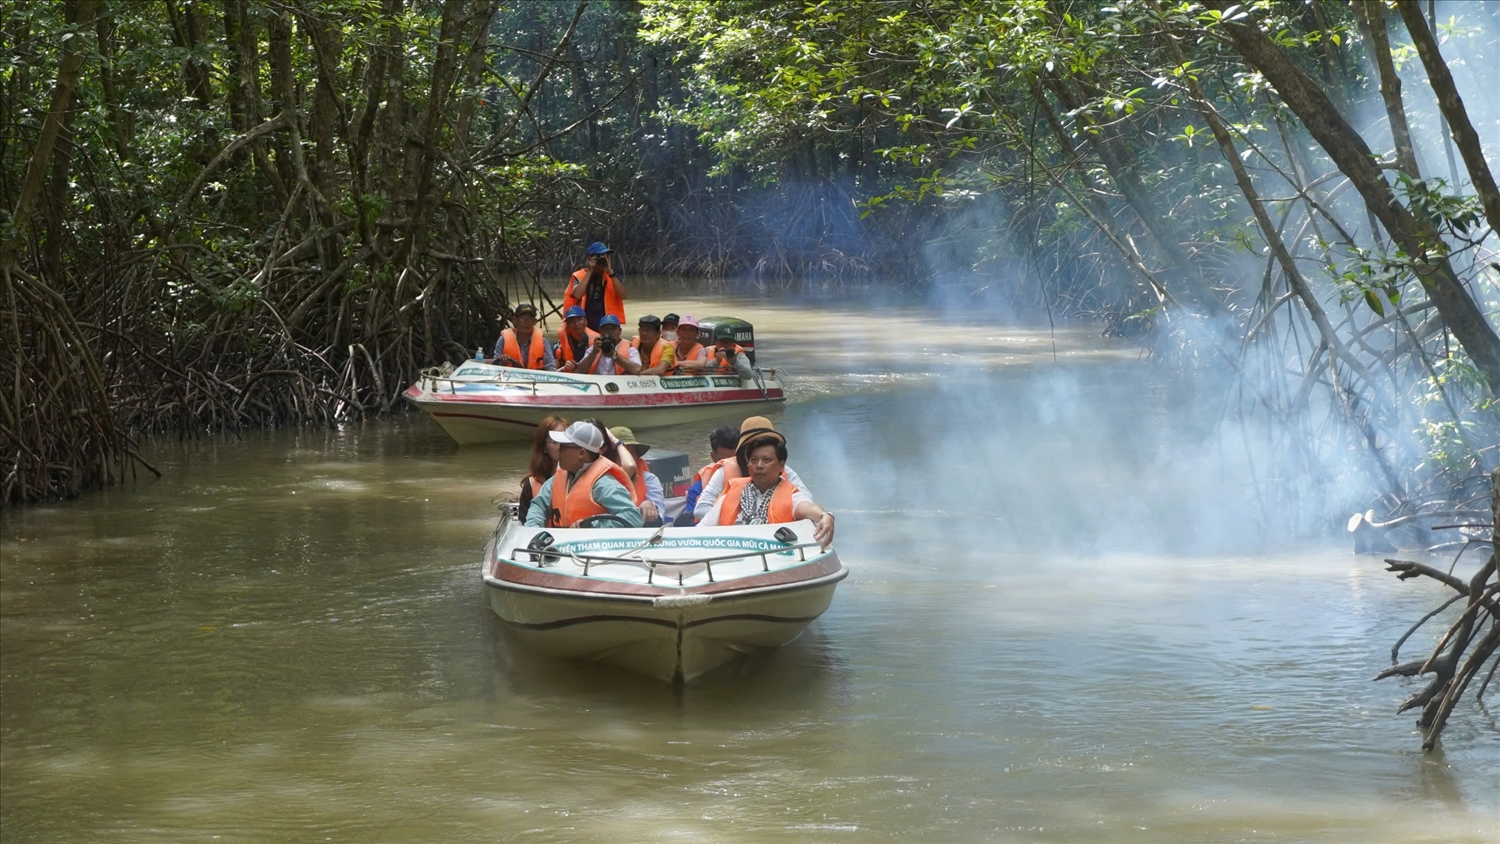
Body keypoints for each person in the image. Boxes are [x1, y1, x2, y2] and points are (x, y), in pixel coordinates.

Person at [699, 428, 835, 547]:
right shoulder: (731, 494)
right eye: (754, 460)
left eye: (766, 460)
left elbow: (807, 507)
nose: (759, 465)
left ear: (781, 466)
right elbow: (701, 529)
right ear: (748, 465)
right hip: (733, 560)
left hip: (776, 561)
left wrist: (825, 516)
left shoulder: (791, 496)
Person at [525, 421, 644, 528]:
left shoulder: (603, 483)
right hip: (563, 546)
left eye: (563, 447)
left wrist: (593, 526)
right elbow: (538, 506)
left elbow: (633, 517)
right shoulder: (562, 476)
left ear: (581, 453)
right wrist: (533, 528)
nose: (558, 450)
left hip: (593, 549)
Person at [692, 416, 810, 523]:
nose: (758, 450)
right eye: (753, 447)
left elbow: (806, 501)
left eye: (766, 456)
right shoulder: (724, 470)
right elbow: (701, 508)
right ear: (743, 450)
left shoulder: (785, 470)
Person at [673, 423, 740, 526]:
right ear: (713, 457)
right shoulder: (699, 487)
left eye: (735, 460)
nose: (729, 464)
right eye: (724, 461)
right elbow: (691, 522)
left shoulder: (755, 476)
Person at [562, 242, 625, 330]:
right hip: (584, 327)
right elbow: (577, 295)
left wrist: (610, 272)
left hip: (606, 325)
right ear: (590, 259)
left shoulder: (612, 276)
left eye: (606, 256)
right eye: (600, 256)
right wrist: (590, 271)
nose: (603, 259)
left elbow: (623, 295)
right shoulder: (580, 275)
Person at [610, 426, 666, 526]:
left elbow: (659, 508)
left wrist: (651, 504)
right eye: (624, 453)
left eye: (633, 453)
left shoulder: (649, 478)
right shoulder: (599, 478)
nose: (630, 458)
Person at [519, 416, 568, 516]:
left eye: (565, 439)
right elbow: (525, 524)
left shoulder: (583, 477)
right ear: (544, 447)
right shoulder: (532, 485)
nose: (561, 446)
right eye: (554, 441)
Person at [492, 303, 555, 370]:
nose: (526, 323)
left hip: (534, 378)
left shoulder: (543, 342)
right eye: (522, 319)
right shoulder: (503, 340)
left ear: (535, 322)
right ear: (514, 320)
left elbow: (550, 367)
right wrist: (502, 362)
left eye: (530, 319)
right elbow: (494, 365)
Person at [576, 315, 641, 376]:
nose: (610, 332)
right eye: (606, 329)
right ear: (600, 331)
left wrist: (613, 355)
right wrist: (594, 352)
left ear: (620, 331)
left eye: (613, 328)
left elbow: (637, 370)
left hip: (620, 384)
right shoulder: (594, 348)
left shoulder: (630, 349)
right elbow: (579, 371)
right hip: (597, 384)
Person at [555, 306, 599, 372]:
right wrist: (563, 369)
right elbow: (552, 372)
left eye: (579, 319)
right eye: (572, 321)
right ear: (567, 325)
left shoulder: (597, 341)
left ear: (586, 321)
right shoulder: (559, 345)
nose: (576, 324)